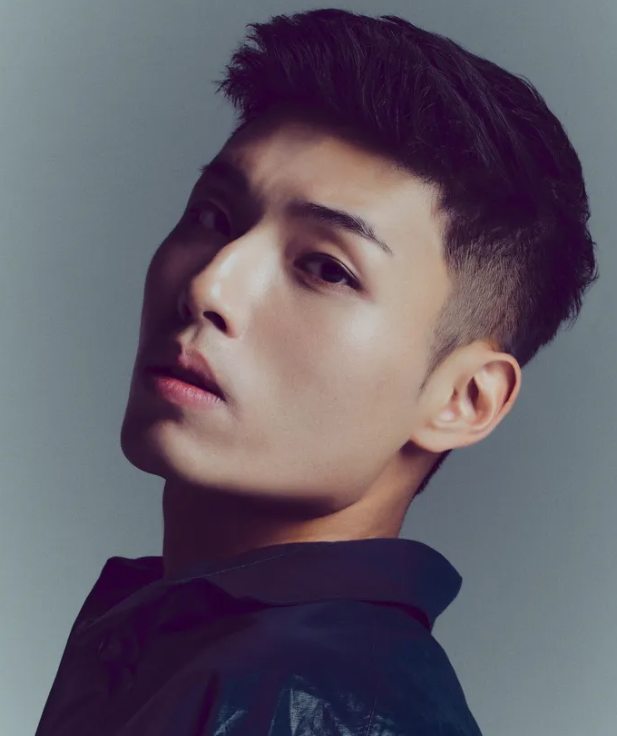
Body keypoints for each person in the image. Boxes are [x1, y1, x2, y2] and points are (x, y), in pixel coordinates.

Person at [34, 8, 599, 735]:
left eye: (327, 268)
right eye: (213, 217)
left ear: (463, 398)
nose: (209, 285)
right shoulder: (197, 651)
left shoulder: (304, 702)